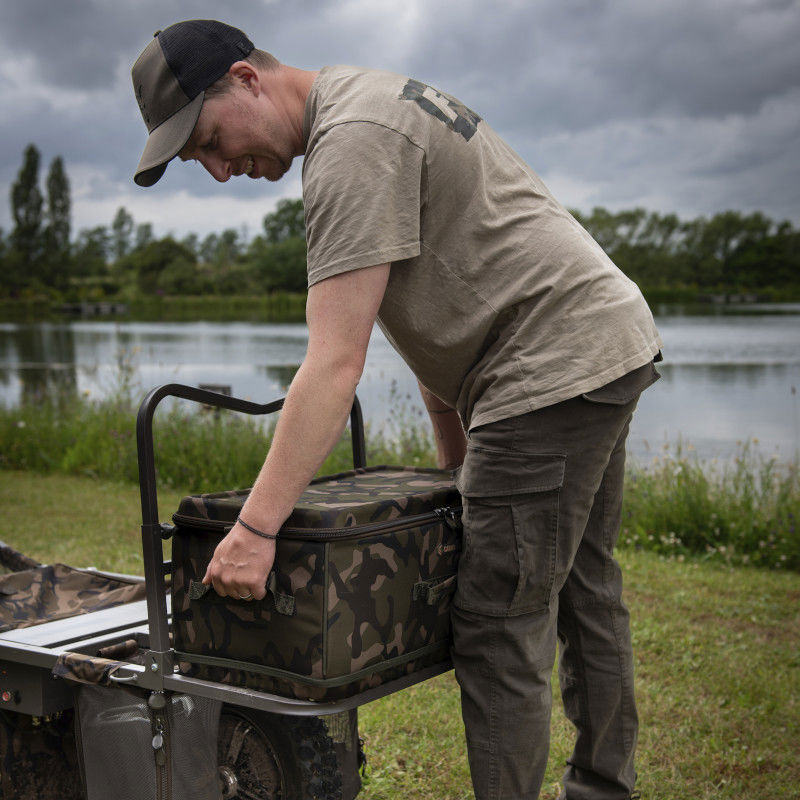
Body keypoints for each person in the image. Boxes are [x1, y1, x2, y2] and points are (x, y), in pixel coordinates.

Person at [131, 19, 661, 800]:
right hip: (599, 343)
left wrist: (254, 530)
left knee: (498, 626)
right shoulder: (368, 103)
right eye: (195, 161)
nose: (216, 170)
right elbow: (435, 316)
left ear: (245, 79)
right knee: (584, 589)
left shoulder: (349, 147)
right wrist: (456, 464)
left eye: (208, 140)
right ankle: (604, 786)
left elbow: (333, 363)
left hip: (545, 372)